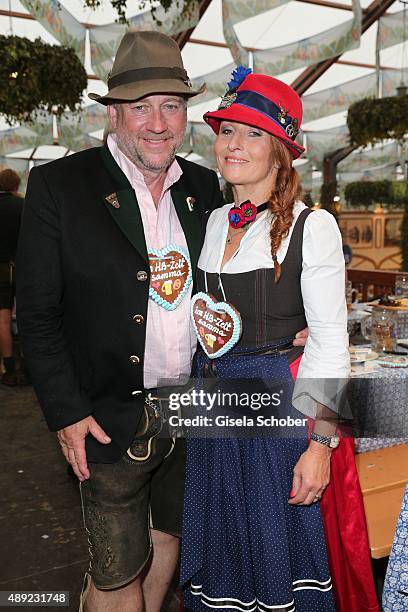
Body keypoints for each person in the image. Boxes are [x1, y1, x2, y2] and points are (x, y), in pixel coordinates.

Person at [16, 31, 225, 612]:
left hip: (191, 411)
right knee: (115, 570)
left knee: (167, 543)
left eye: (172, 106)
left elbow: (223, 286)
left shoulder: (204, 187)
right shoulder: (62, 186)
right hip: (107, 415)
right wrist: (67, 412)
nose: (159, 123)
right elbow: (36, 315)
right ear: (113, 113)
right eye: (142, 107)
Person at [181, 70, 377, 611]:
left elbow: (331, 343)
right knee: (222, 556)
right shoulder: (216, 220)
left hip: (274, 417)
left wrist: (320, 445)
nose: (234, 145)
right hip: (213, 407)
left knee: (276, 564)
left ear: (280, 152)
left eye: (253, 134)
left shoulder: (312, 226)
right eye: (227, 132)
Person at [0, 168, 24, 386]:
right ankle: (27, 366)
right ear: (16, 185)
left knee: (3, 318)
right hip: (21, 267)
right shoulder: (22, 206)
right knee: (26, 314)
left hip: (0, 268)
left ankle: (8, 368)